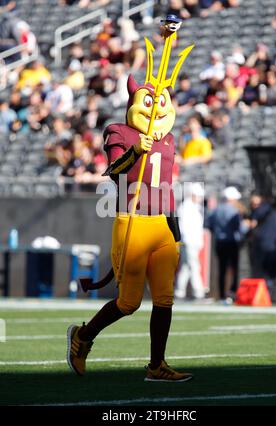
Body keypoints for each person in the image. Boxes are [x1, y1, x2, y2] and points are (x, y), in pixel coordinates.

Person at [66, 74, 193, 382]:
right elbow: (113, 172)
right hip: (132, 221)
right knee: (129, 303)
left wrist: (174, 228)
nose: (156, 111)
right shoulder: (118, 130)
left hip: (162, 224)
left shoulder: (168, 137)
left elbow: (166, 185)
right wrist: (136, 151)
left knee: (164, 299)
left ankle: (156, 366)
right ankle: (83, 335)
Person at [207, 186, 248, 302]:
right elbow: (240, 229)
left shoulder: (216, 210)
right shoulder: (234, 211)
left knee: (222, 269)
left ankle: (221, 295)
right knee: (233, 269)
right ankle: (232, 293)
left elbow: (209, 225)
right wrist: (247, 226)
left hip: (220, 242)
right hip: (232, 243)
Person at [175, 183, 206, 300]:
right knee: (194, 266)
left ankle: (179, 291)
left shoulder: (192, 207)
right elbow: (184, 228)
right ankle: (199, 293)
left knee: (186, 267)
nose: (200, 198)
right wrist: (188, 242)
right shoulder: (186, 208)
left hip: (192, 242)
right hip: (189, 242)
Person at [248, 193, 276, 289]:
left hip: (262, 245)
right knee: (270, 271)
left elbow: (252, 224)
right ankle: (268, 292)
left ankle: (262, 292)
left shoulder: (259, 211)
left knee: (261, 270)